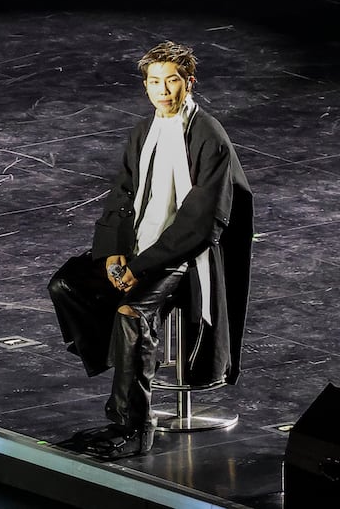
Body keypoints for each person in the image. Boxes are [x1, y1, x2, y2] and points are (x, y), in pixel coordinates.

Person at [49, 41, 254, 459]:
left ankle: (132, 427)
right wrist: (113, 252)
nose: (163, 90)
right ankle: (124, 360)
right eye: (155, 82)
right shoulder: (143, 131)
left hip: (184, 257)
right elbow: (122, 195)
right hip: (138, 248)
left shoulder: (208, 135)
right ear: (145, 86)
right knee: (66, 284)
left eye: (172, 81)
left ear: (189, 83)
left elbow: (202, 221)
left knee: (131, 314)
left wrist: (140, 267)